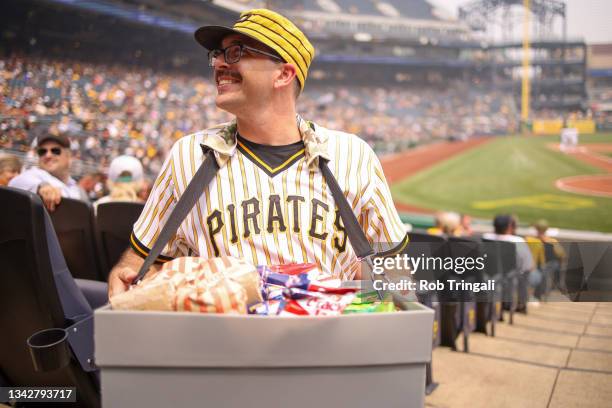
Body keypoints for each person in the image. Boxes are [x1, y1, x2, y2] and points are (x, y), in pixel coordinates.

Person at [108, 8, 408, 297]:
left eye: (236, 52)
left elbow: (395, 275)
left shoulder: (353, 156)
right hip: (220, 341)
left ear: (283, 74)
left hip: (326, 340)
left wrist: (378, 286)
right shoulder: (189, 155)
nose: (219, 64)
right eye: (218, 54)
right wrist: (126, 273)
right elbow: (143, 261)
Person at [9, 134, 87, 211]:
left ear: (69, 157)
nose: (48, 155)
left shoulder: (77, 189)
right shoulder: (34, 174)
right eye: (42, 151)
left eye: (55, 151)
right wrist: (42, 186)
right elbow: (15, 183)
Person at [483, 214, 536, 310]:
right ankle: (522, 302)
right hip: (509, 278)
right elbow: (528, 266)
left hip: (489, 276)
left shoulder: (485, 237)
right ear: (509, 227)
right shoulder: (518, 241)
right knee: (532, 274)